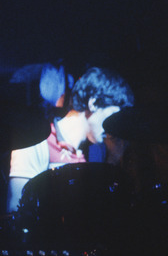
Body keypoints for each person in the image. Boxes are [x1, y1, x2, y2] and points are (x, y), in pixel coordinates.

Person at [6, 66, 135, 213]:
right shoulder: (38, 141)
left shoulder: (97, 151)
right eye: (112, 114)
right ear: (93, 103)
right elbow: (15, 208)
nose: (113, 125)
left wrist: (113, 160)